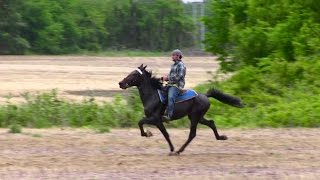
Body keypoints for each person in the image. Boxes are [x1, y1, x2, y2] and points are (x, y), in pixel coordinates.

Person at [161, 49, 186, 121]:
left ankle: (169, 115)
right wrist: (165, 78)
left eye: (173, 55)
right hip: (171, 84)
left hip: (177, 86)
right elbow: (170, 76)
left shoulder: (181, 65)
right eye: (172, 55)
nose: (172, 56)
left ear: (178, 56)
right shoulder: (173, 65)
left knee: (171, 97)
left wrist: (167, 78)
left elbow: (179, 77)